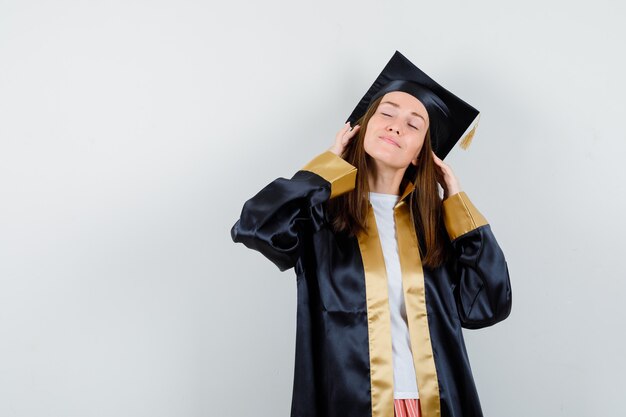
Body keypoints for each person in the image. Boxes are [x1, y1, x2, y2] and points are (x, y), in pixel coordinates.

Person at [230, 50, 512, 417]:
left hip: (434, 403)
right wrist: (326, 168)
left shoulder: (435, 229)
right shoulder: (321, 219)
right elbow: (256, 227)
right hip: (348, 403)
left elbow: (488, 305)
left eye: (413, 124)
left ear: (419, 154)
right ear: (362, 127)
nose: (396, 125)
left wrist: (455, 199)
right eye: (387, 112)